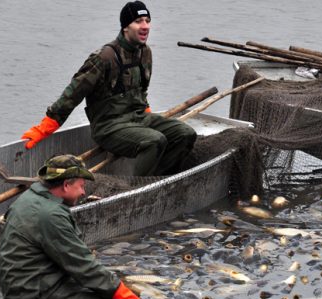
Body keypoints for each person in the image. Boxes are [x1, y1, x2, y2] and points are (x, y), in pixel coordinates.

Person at [21, 1, 196, 176]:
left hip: (138, 118)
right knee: (155, 141)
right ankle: (137, 190)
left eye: (147, 20)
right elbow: (72, 95)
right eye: (139, 21)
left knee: (185, 133)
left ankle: (161, 180)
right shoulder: (104, 57)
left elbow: (141, 90)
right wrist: (43, 129)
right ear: (125, 27)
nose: (145, 26)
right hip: (109, 127)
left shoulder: (145, 53)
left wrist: (147, 112)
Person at [0, 154, 147, 299]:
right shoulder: (51, 215)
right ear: (66, 185)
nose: (84, 192)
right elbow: (83, 266)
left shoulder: (29, 198)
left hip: (24, 287)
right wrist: (124, 294)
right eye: (81, 185)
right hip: (35, 297)